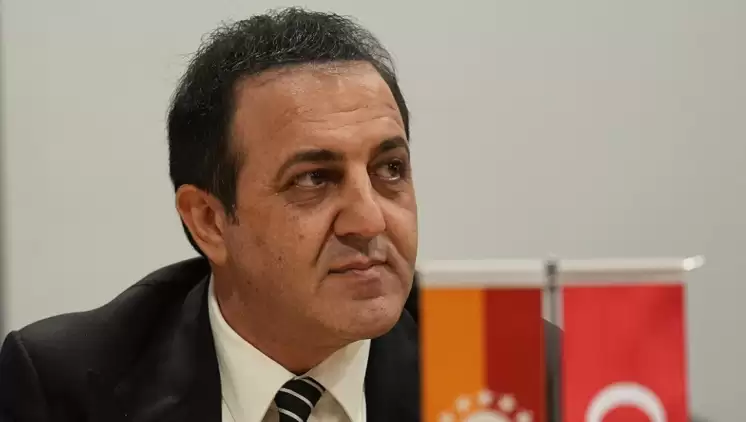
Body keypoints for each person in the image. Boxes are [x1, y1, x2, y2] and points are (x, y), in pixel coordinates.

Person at [0, 7, 561, 422]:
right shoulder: (67, 384)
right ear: (208, 221)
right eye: (314, 179)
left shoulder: (513, 366)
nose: (370, 221)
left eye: (390, 169)